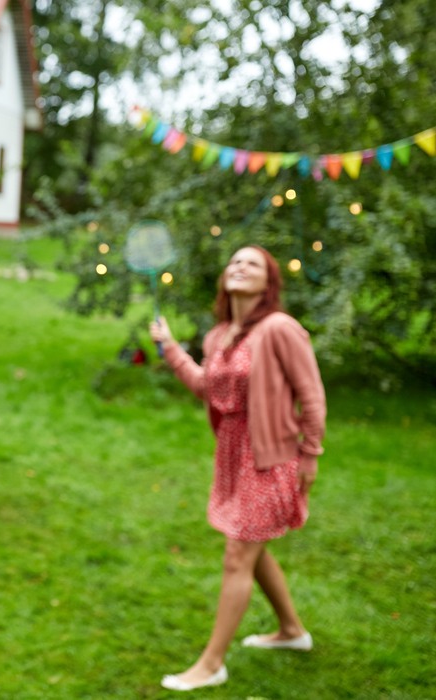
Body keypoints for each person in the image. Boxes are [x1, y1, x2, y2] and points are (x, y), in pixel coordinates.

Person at [149, 245, 326, 692]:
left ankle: (211, 664)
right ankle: (291, 631)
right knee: (251, 546)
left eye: (252, 263)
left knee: (238, 555)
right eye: (233, 261)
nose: (239, 266)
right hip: (232, 456)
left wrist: (310, 454)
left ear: (269, 282)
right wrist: (169, 347)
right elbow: (206, 387)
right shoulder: (220, 336)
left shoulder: (280, 329)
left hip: (272, 458)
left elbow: (313, 394)